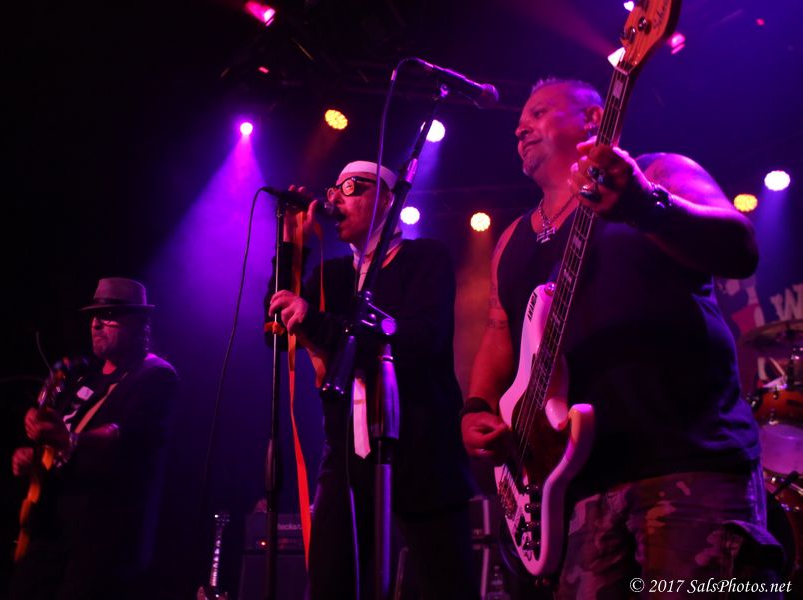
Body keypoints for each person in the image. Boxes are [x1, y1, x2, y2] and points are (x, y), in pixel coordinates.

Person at [460, 78, 781, 597]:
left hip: (685, 460)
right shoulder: (512, 240)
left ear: (592, 119)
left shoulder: (658, 171)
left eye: (538, 113)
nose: (520, 128)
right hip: (573, 489)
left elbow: (740, 249)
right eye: (519, 123)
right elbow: (499, 333)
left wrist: (645, 205)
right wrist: (476, 406)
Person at [267, 161, 479, 600]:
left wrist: (318, 322)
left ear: (387, 199)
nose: (335, 198)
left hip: (422, 450)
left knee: (441, 583)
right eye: (334, 188)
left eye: (351, 187)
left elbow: (420, 340)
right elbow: (276, 327)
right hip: (347, 453)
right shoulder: (334, 276)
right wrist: (291, 245)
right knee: (331, 584)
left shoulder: (426, 259)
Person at [8, 277, 178, 600]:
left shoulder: (156, 375)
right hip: (53, 529)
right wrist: (34, 455)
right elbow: (59, 439)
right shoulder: (84, 378)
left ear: (139, 322)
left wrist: (68, 439)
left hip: (101, 537)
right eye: (94, 315)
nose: (96, 324)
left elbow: (121, 434)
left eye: (109, 315)